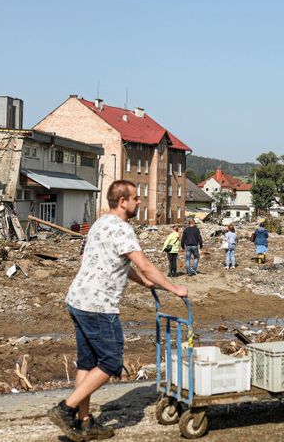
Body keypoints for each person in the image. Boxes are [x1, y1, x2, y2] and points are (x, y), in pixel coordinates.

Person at [48, 180, 188, 441]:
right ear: (122, 201)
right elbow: (143, 263)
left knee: (88, 362)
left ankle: (85, 422)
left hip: (78, 299)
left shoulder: (100, 223)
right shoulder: (123, 229)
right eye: (135, 198)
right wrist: (172, 288)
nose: (139, 202)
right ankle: (65, 409)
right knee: (111, 362)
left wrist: (142, 281)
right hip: (99, 306)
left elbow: (113, 261)